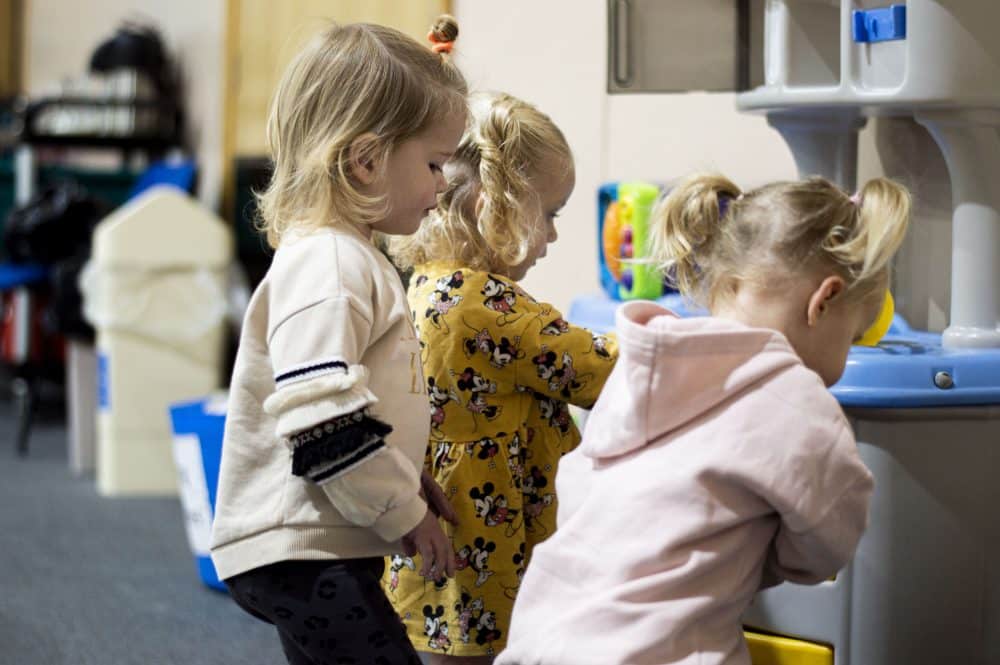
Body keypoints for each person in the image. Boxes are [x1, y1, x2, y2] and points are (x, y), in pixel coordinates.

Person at [496, 174, 912, 665]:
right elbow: (828, 541)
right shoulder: (794, 398)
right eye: (854, 335)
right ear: (823, 301)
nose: (847, 352)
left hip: (540, 638)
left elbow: (581, 487)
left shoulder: (642, 367)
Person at [209, 16, 468, 665]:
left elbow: (357, 406)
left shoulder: (348, 256)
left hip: (316, 540)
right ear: (366, 159)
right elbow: (322, 415)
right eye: (434, 163)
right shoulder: (329, 265)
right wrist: (401, 511)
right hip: (302, 548)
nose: (442, 186)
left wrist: (404, 482)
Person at [384, 91, 620, 663]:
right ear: (497, 207)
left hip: (441, 543)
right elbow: (603, 370)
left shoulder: (424, 283)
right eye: (551, 215)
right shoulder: (485, 304)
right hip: (486, 552)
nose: (554, 237)